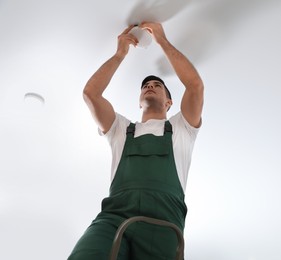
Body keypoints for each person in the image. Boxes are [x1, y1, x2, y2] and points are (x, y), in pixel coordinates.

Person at [68, 22, 204, 260]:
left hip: (162, 223)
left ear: (169, 102)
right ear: (139, 100)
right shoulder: (121, 130)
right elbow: (91, 94)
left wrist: (161, 40)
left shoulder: (182, 128)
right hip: (113, 218)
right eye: (145, 87)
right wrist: (120, 53)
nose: (149, 86)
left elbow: (195, 85)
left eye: (157, 85)